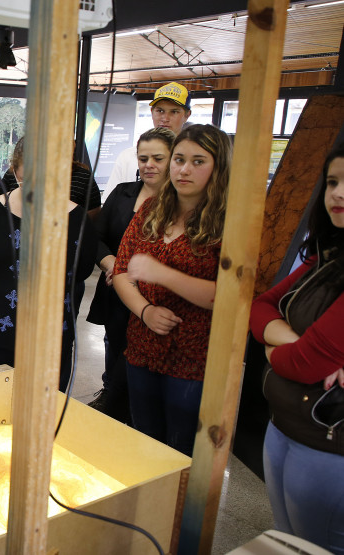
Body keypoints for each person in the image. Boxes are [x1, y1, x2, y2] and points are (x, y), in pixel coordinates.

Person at [112, 124, 231, 456]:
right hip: (142, 346)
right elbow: (122, 271)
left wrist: (161, 274)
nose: (184, 169)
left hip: (194, 358)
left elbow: (230, 296)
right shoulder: (152, 210)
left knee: (181, 452)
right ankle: (149, 507)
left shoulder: (228, 222)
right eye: (179, 159)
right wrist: (145, 310)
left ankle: (178, 510)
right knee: (144, 442)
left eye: (198, 161)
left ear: (218, 168)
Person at [250, 146, 344, 554]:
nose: (338, 193)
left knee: (317, 545)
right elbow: (259, 306)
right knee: (287, 539)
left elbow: (304, 366)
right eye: (334, 182)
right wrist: (298, 345)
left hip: (328, 444)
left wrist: (274, 349)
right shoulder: (327, 255)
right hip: (285, 424)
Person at [0, 137, 96, 388]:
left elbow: (82, 271)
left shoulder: (76, 219)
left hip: (50, 338)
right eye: (27, 180)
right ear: (14, 171)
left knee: (45, 413)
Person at [87, 127, 176, 423]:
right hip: (115, 289)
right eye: (143, 158)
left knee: (139, 363)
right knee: (114, 348)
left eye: (157, 158)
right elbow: (95, 237)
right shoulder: (123, 193)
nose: (148, 164)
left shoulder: (182, 203)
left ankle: (122, 409)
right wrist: (112, 263)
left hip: (158, 298)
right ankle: (111, 407)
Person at [104, 82, 191, 195]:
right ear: (152, 112)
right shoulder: (128, 156)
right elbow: (110, 201)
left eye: (174, 112)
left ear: (187, 115)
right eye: (160, 111)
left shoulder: (191, 160)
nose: (165, 118)